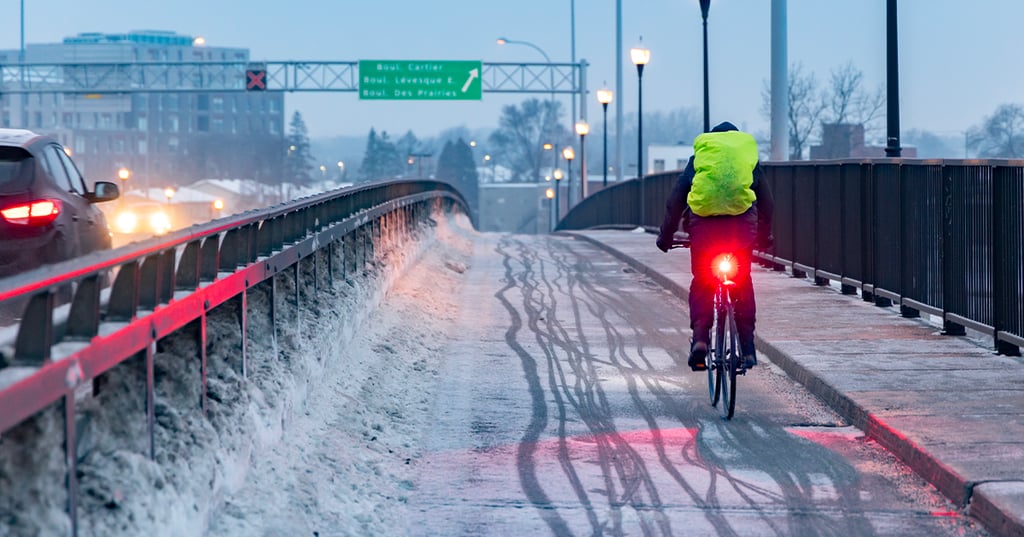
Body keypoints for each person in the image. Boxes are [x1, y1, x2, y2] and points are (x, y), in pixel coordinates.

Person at [655, 121, 774, 372]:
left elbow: (676, 200)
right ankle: (748, 347)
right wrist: (763, 236)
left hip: (704, 229)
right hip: (740, 229)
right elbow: (767, 203)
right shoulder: (745, 160)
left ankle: (700, 338)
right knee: (742, 279)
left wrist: (666, 236)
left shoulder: (700, 157)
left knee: (703, 280)